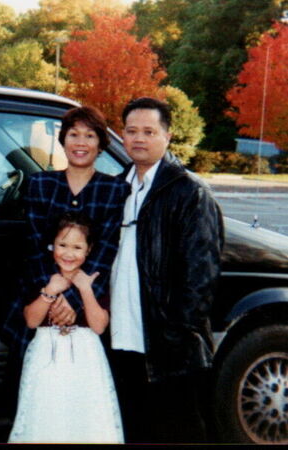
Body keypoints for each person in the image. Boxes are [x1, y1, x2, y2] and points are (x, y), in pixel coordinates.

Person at [108, 97, 224, 443]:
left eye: (149, 131)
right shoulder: (116, 188)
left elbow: (201, 276)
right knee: (133, 429)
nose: (138, 139)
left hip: (168, 348)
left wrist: (175, 333)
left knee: (178, 430)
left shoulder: (189, 192)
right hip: (120, 338)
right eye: (131, 131)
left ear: (168, 136)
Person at [1, 105, 130, 414]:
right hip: (41, 297)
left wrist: (73, 302)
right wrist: (55, 294)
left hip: (89, 307)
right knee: (36, 401)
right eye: (73, 135)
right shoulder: (40, 184)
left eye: (89, 135)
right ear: (63, 140)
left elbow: (106, 252)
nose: (80, 143)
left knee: (81, 404)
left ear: (101, 143)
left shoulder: (114, 190)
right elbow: (34, 246)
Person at [8, 212, 124, 443]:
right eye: (62, 245)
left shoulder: (95, 279)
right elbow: (31, 320)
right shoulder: (41, 275)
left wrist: (85, 289)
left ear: (89, 250)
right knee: (45, 409)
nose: (69, 254)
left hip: (86, 356)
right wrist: (50, 291)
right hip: (46, 354)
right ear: (52, 246)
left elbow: (99, 326)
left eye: (77, 247)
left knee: (86, 413)